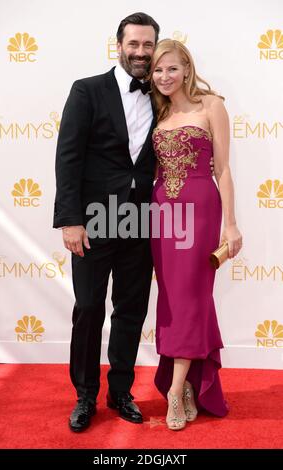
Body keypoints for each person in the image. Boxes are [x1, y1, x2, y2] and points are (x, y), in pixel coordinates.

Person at [53, 12, 160, 431]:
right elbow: (68, 157)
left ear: (155, 46)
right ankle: (84, 395)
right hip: (94, 219)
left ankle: (120, 391)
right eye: (133, 44)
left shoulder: (160, 93)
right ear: (118, 45)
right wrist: (70, 220)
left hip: (140, 217)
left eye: (147, 45)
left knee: (131, 309)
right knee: (89, 308)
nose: (140, 52)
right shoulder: (87, 91)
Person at [150, 39, 242, 430]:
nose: (164, 77)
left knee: (190, 296)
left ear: (187, 68)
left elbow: (223, 169)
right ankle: (188, 383)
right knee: (174, 298)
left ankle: (173, 391)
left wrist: (232, 224)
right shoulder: (159, 111)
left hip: (201, 211)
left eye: (171, 68)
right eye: (157, 70)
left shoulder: (212, 106)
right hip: (162, 215)